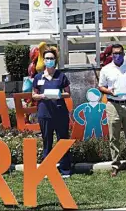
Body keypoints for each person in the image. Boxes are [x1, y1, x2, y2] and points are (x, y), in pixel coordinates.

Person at [98, 44, 126, 177]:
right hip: (113, 105)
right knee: (113, 138)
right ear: (111, 55)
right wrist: (109, 91)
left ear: (124, 53)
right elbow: (101, 86)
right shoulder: (106, 69)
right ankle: (115, 165)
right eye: (115, 53)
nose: (117, 55)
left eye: (120, 53)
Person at [32, 49, 72, 177]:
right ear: (43, 61)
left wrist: (59, 94)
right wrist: (43, 95)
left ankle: (65, 168)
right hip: (45, 113)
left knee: (62, 140)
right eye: (47, 58)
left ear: (55, 60)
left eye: (51, 58)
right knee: (46, 141)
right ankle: (46, 168)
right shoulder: (38, 77)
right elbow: (34, 95)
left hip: (60, 113)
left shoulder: (61, 76)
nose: (49, 61)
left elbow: (68, 93)